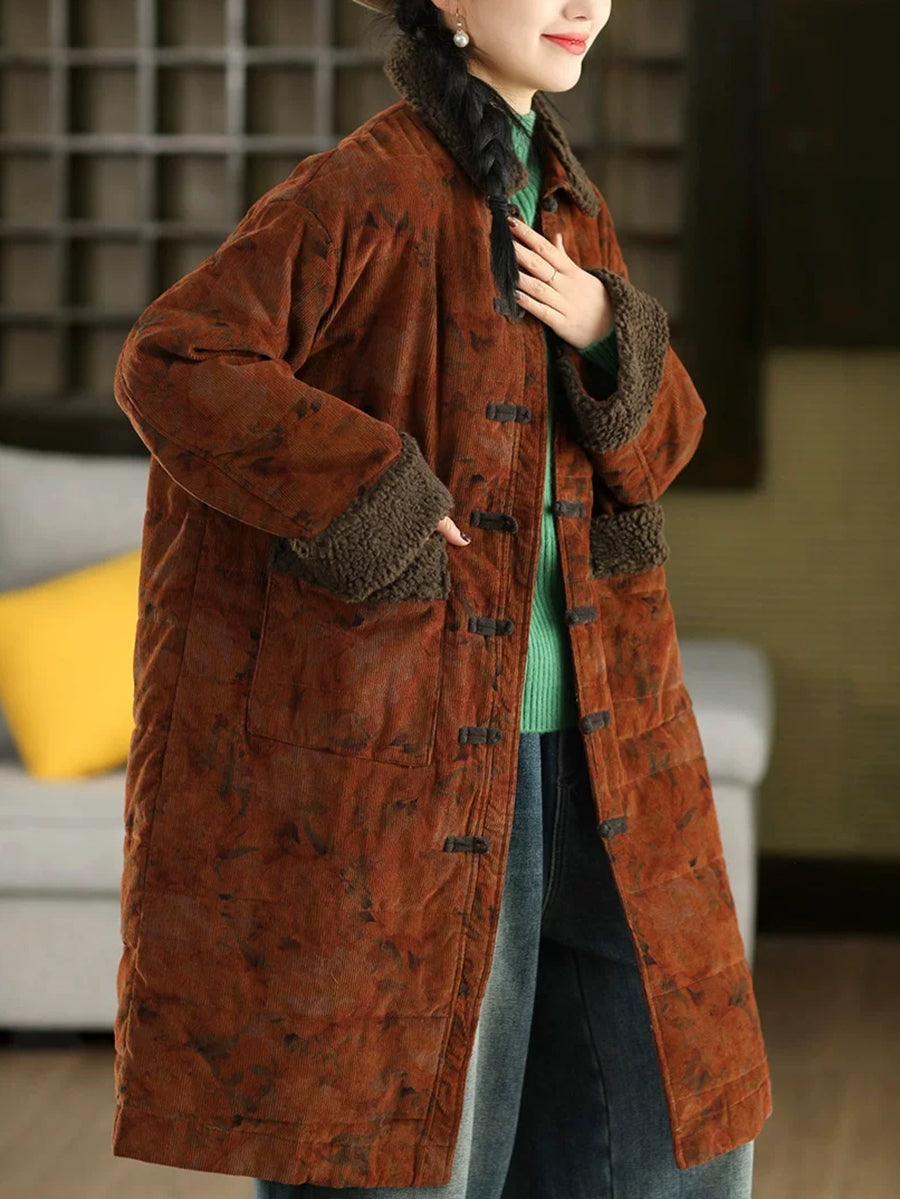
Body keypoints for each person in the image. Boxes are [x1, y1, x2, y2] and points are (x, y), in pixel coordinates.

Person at [110, 2, 771, 1195]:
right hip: (425, 756)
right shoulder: (364, 189)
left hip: (607, 747)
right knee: (410, 1133)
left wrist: (608, 329)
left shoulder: (566, 201)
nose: (584, 3)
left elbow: (663, 445)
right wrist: (374, 491)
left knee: (662, 1123)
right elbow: (174, 359)